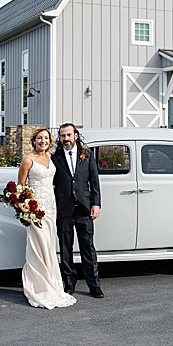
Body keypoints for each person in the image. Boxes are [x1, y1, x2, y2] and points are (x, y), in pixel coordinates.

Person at [15, 127, 75, 310]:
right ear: (33, 141)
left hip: (51, 206)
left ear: (50, 141)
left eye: (46, 138)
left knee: (48, 245)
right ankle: (38, 286)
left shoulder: (51, 157)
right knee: (37, 245)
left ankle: (51, 282)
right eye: (39, 138)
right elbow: (20, 186)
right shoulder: (27, 160)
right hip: (35, 208)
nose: (43, 141)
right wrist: (25, 208)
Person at [52, 122, 103, 298]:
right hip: (63, 209)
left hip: (84, 209)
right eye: (62, 135)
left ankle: (94, 285)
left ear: (75, 135)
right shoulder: (54, 157)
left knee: (88, 247)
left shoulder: (86, 155)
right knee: (66, 248)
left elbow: (94, 181)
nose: (66, 139)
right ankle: (69, 283)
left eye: (68, 135)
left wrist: (96, 204)